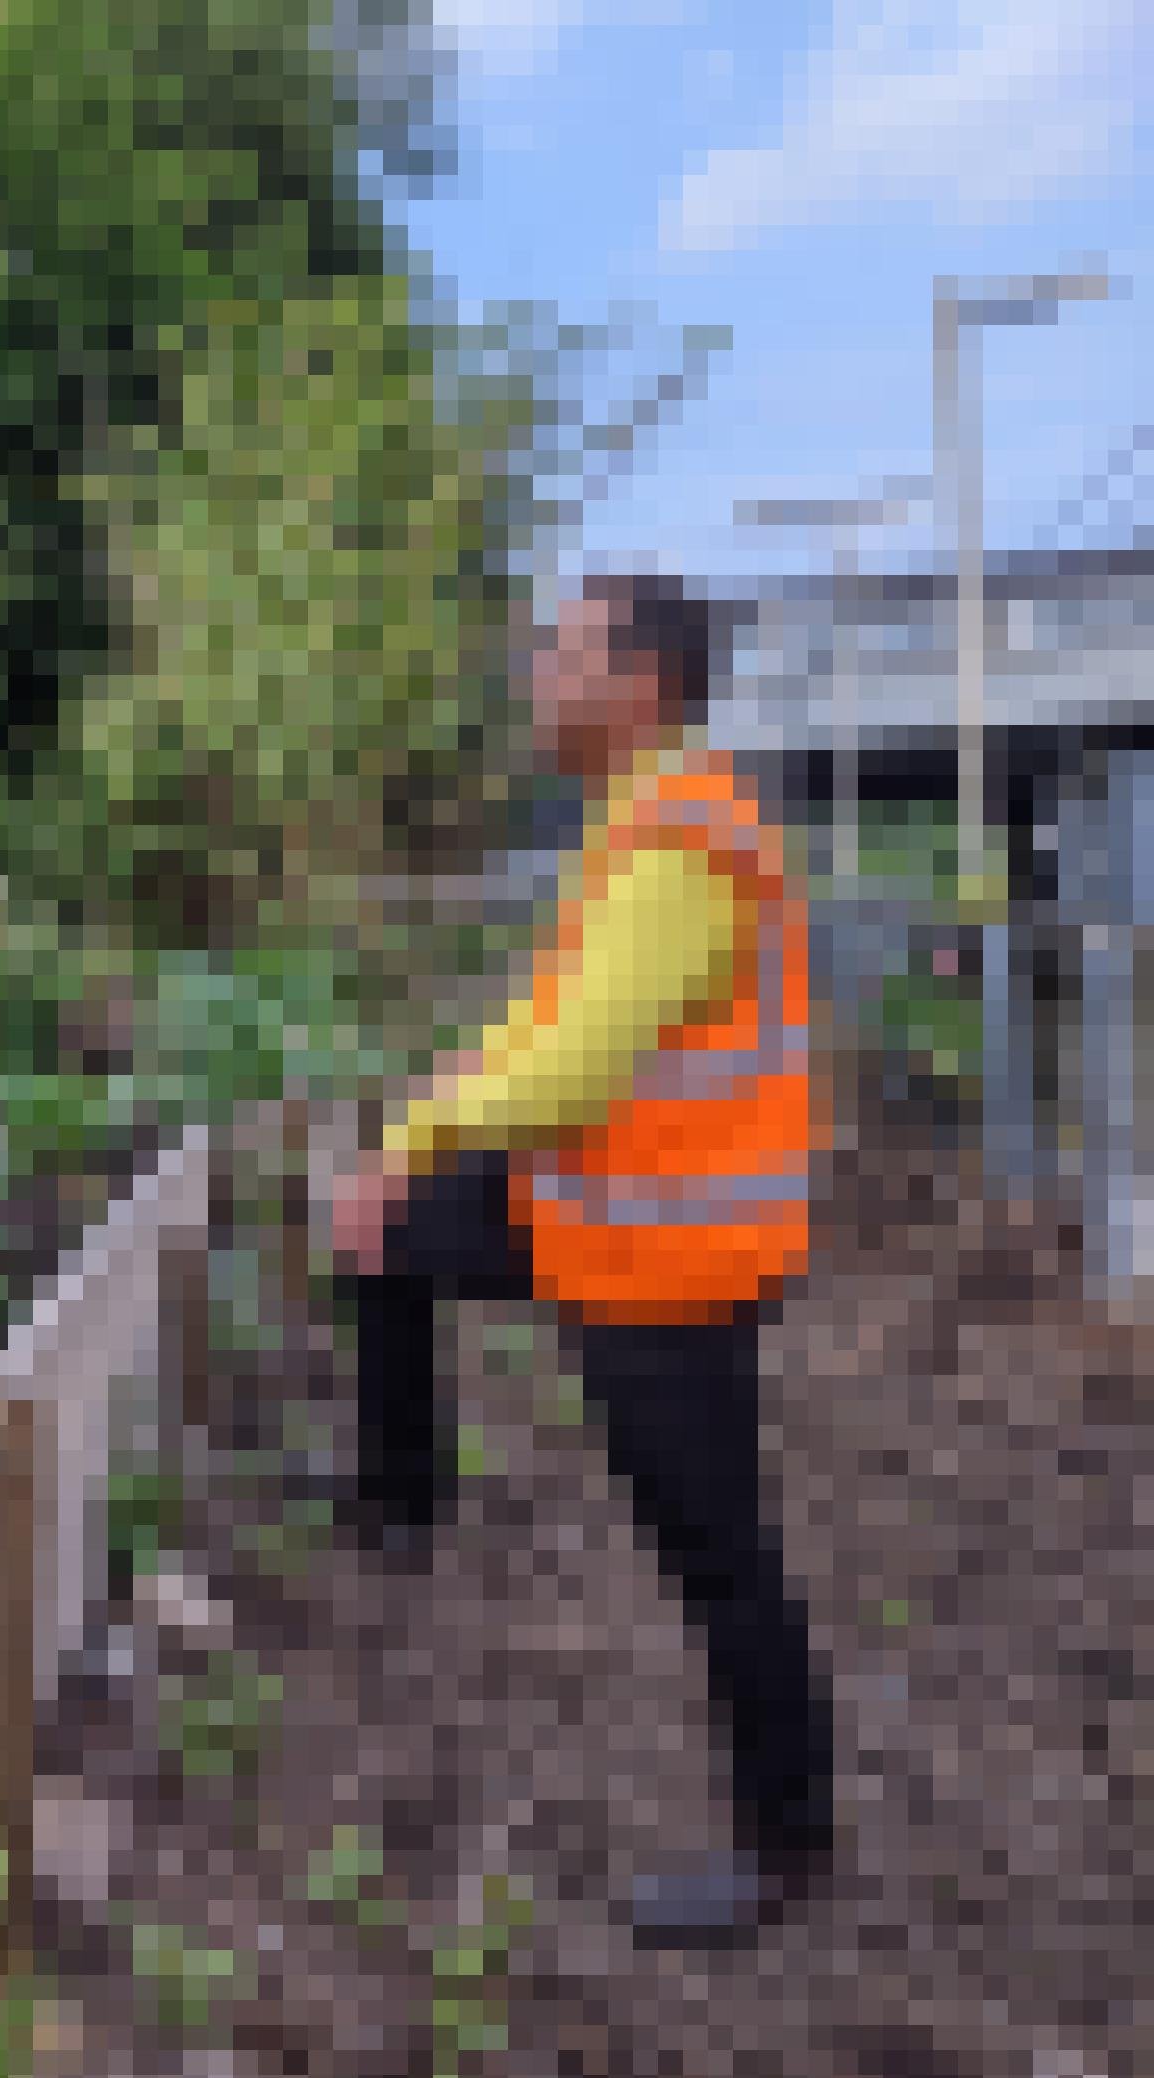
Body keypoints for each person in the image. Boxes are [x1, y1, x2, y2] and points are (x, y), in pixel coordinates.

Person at [321, 570, 838, 1948]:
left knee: (715, 1554)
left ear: (637, 684)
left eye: (558, 650)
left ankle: (782, 1843)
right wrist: (410, 1130)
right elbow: (535, 1028)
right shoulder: (627, 825)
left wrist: (419, 1123)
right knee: (380, 1233)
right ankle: (397, 1501)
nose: (535, 671)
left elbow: (576, 1065)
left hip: (667, 1261)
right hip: (596, 1214)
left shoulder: (677, 844)